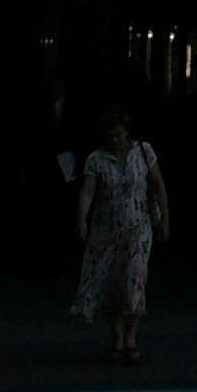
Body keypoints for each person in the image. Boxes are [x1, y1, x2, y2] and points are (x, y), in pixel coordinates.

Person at [71, 108, 169, 362]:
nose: (114, 140)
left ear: (127, 132)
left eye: (118, 135)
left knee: (135, 278)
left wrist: (165, 221)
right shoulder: (96, 159)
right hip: (107, 229)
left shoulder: (143, 152)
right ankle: (116, 339)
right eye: (110, 136)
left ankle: (130, 339)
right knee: (112, 285)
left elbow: (158, 185)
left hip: (138, 227)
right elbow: (87, 191)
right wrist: (81, 220)